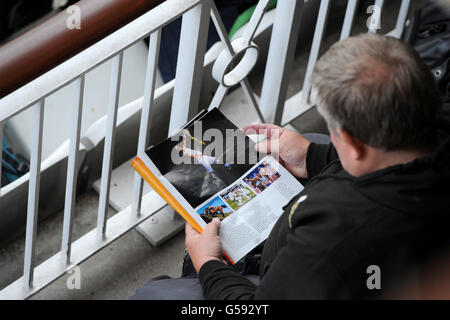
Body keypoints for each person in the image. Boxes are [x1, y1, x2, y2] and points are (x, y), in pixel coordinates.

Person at [183, 34, 450, 299]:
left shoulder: (331, 242)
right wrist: (314, 155)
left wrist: (209, 264)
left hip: (285, 276)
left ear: (352, 144)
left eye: (333, 130)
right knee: (311, 140)